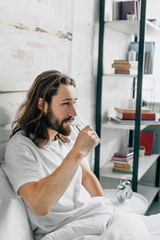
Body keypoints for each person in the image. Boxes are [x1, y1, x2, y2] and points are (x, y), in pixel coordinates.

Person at [3, 70, 160, 240]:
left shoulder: (64, 136)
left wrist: (107, 207)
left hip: (95, 216)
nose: (74, 113)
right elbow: (39, 206)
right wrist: (78, 151)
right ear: (41, 104)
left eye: (74, 103)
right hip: (67, 230)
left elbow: (86, 176)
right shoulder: (21, 148)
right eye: (65, 104)